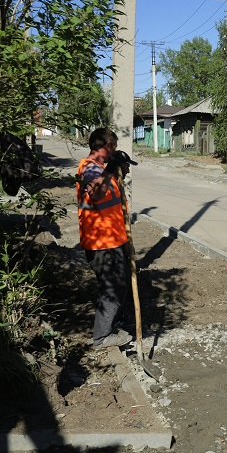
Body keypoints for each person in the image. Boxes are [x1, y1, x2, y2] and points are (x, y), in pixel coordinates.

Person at [76, 128, 138, 349]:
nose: (115, 150)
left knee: (117, 286)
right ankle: (101, 337)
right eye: (114, 145)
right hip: (102, 243)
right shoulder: (91, 170)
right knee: (112, 287)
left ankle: (112, 324)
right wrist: (111, 169)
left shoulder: (98, 169)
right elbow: (96, 193)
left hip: (112, 240)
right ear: (108, 145)